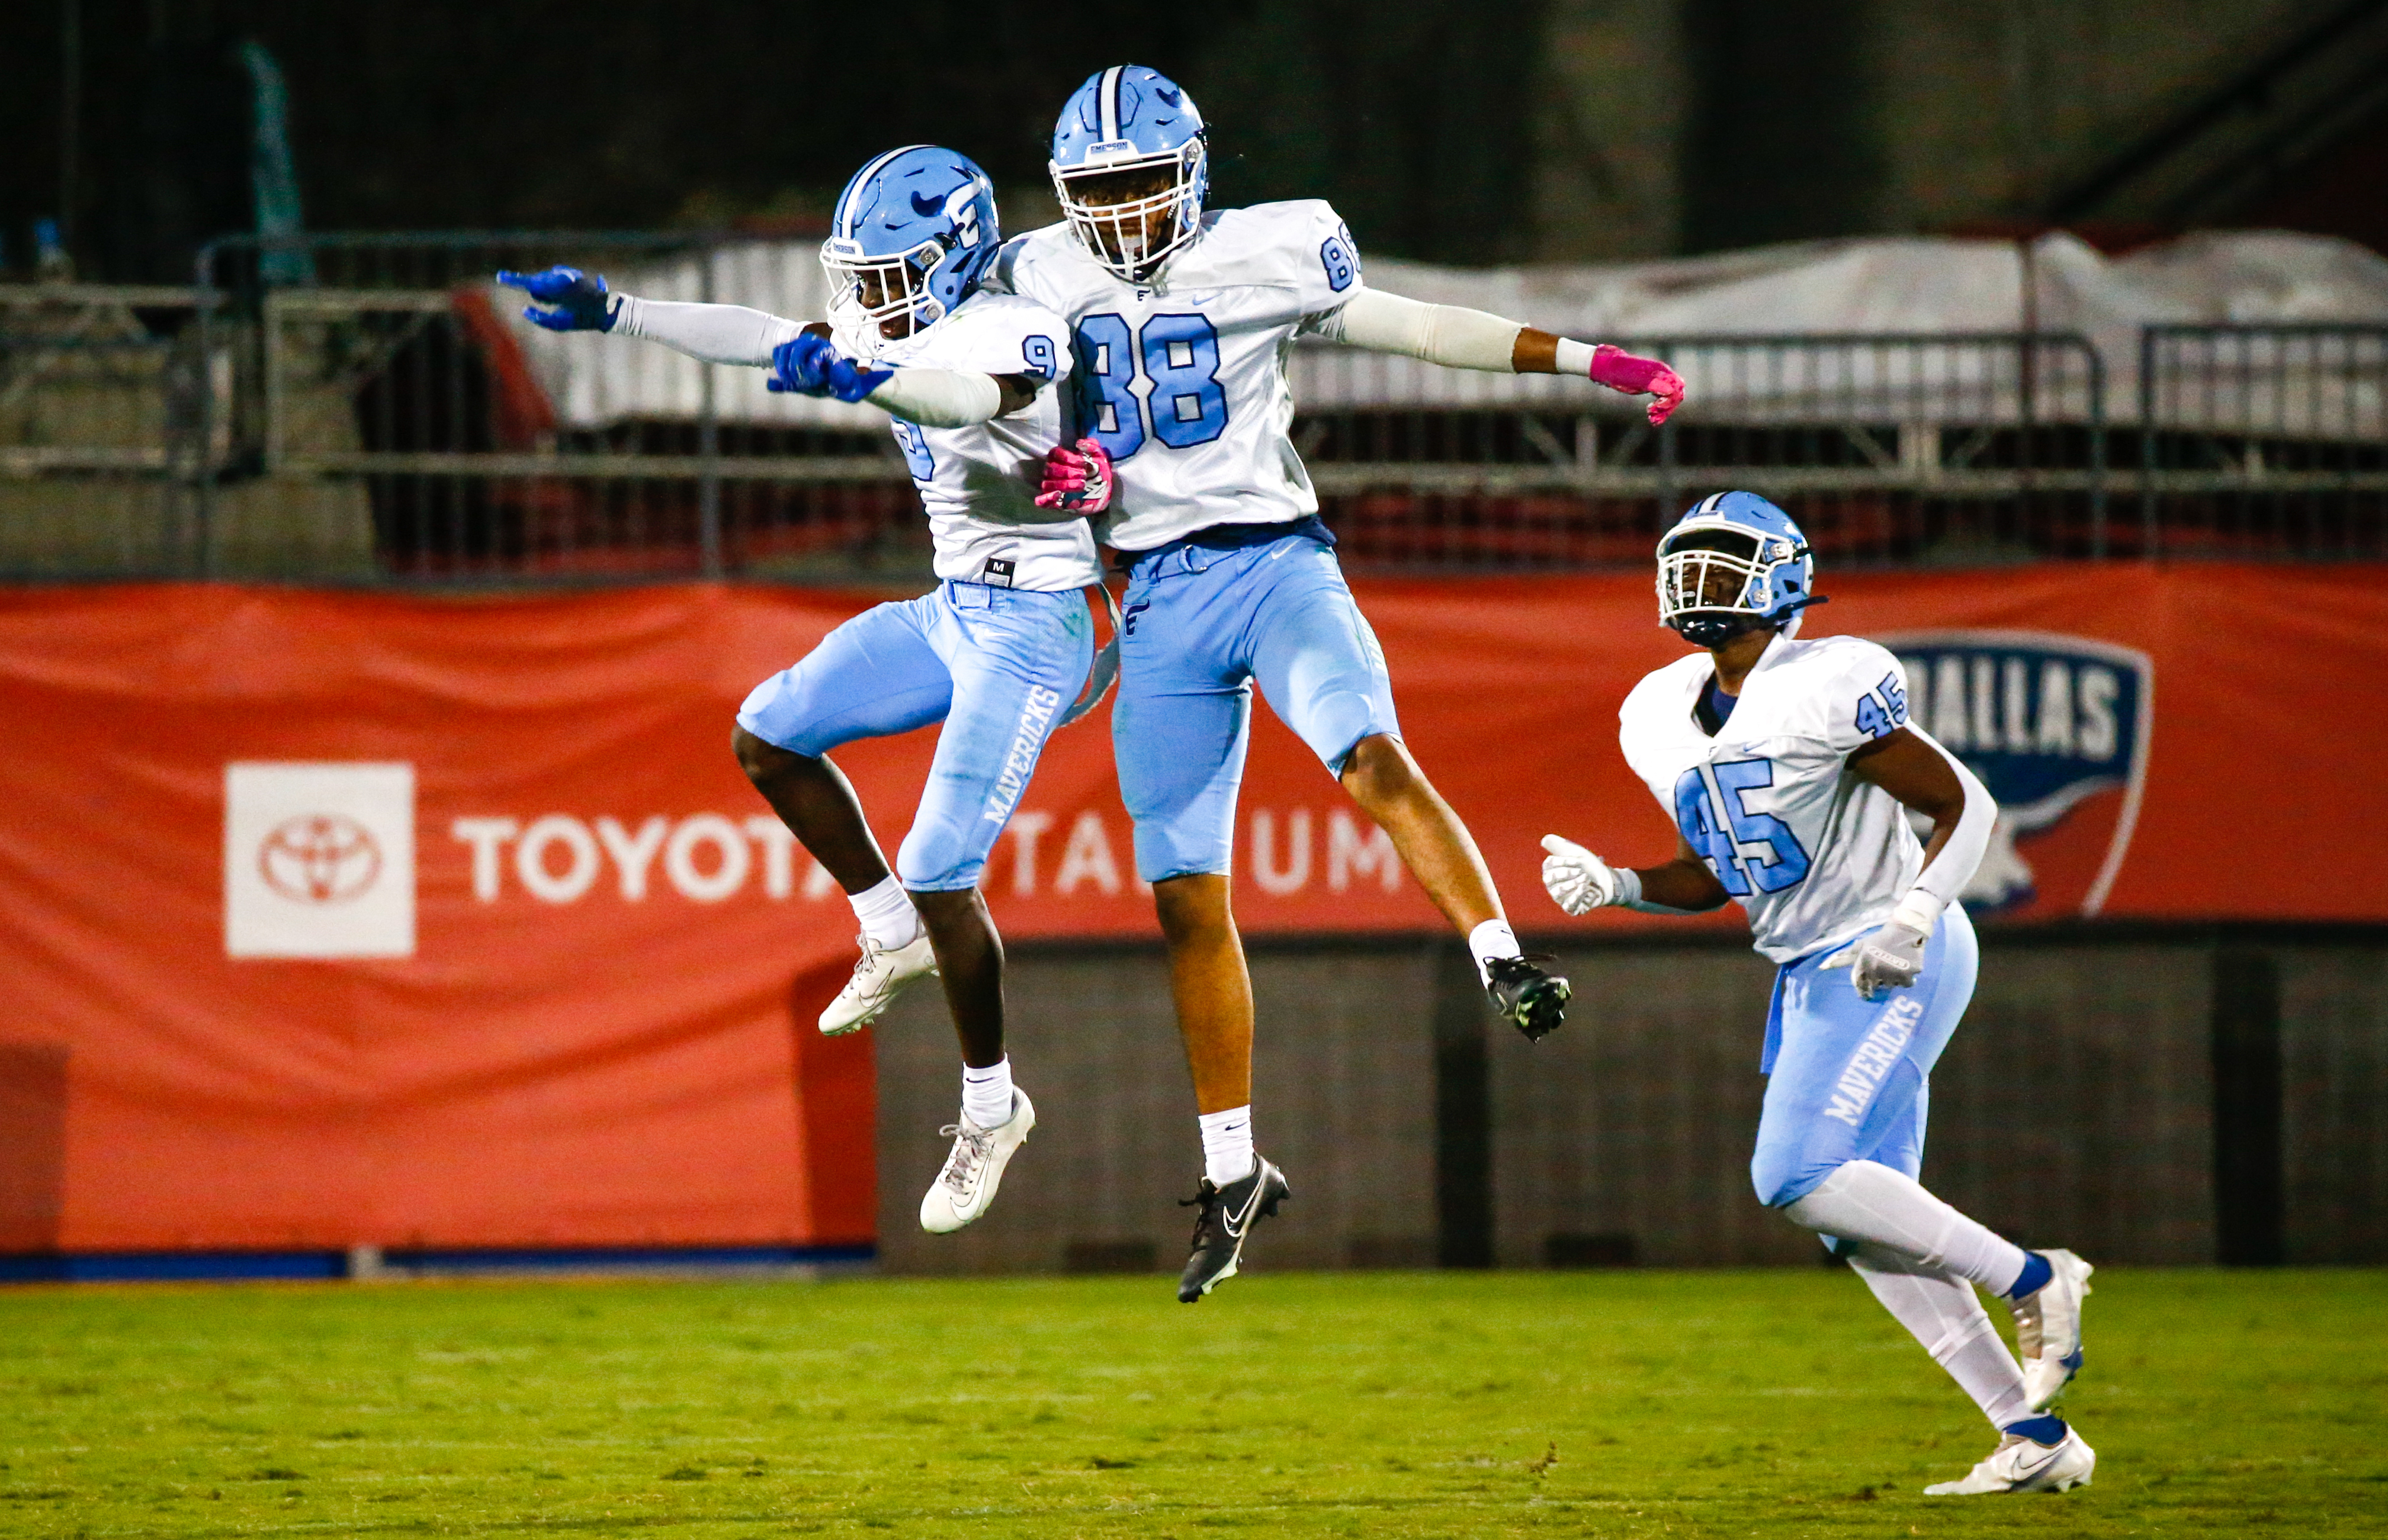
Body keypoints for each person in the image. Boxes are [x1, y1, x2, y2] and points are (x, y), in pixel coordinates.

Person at [994, 65, 1689, 1303]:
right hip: (1153, 597)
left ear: (1194, 174)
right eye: (1100, 191)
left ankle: (1501, 958)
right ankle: (1232, 1169)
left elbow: (1421, 327)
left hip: (1274, 566)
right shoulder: (1034, 273)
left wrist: (1592, 360)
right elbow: (980, 403)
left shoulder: (1276, 248)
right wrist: (1047, 464)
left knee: (1370, 755)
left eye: (1147, 183)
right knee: (1183, 898)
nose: (1125, 213)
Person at [499, 146, 1107, 1236]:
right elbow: (763, 336)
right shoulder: (892, 322)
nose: (867, 298)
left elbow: (967, 395)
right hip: (952, 606)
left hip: (1037, 625)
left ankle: (991, 1103)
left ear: (956, 259)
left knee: (940, 865)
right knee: (769, 730)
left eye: (890, 272)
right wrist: (617, 313)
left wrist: (872, 378)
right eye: (859, 273)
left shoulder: (1006, 325)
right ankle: (886, 929)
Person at [1539, 490, 2096, 1496]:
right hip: (1807, 968)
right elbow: (1715, 873)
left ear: (1785, 577)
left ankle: (2036, 1275)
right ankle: (2035, 1433)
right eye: (1688, 559)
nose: (1699, 579)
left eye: (1725, 560)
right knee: (1861, 1220)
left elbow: (1964, 802)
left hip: (1892, 950)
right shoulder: (1656, 710)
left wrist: (1914, 915)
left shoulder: (1827, 681)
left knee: (1792, 1173)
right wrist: (1620, 883)